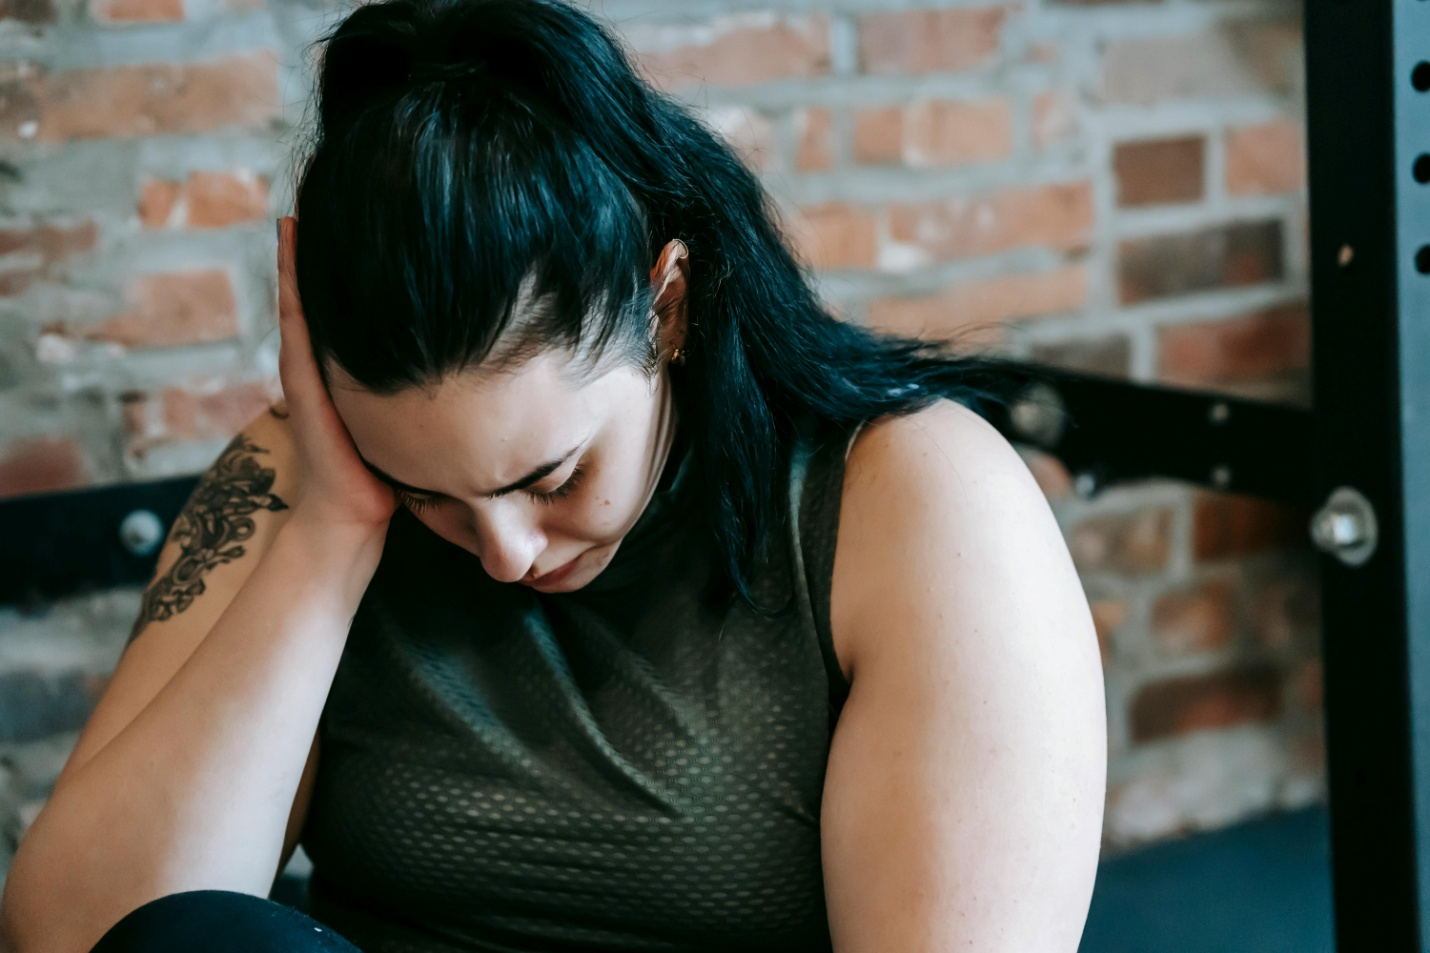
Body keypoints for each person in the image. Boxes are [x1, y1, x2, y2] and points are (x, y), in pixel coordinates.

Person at [0, 0, 1107, 950]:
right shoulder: (299, 478)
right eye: (426, 490)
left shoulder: (911, 497)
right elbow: (87, 937)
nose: (504, 550)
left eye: (552, 473)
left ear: (664, 306)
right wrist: (336, 524)